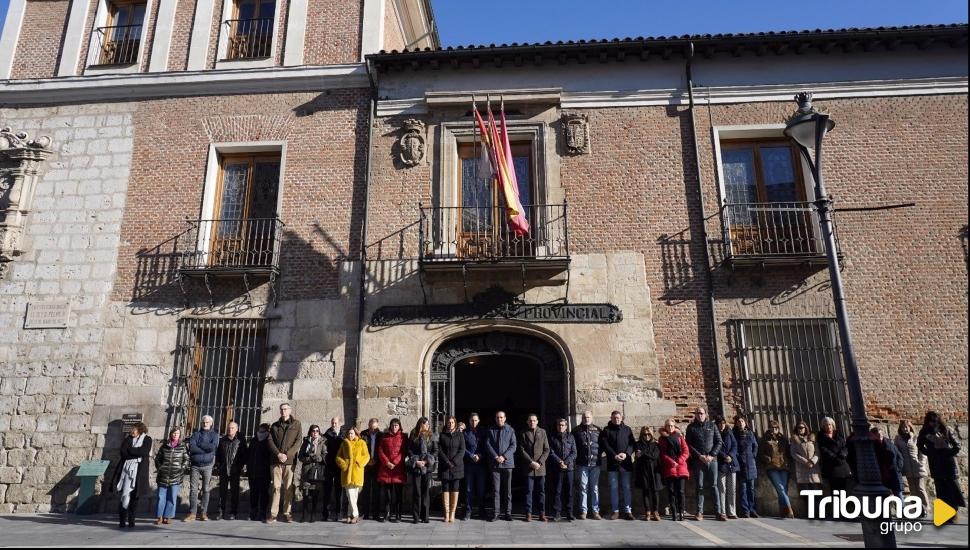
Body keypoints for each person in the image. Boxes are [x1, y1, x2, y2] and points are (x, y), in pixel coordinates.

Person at [917, 411, 965, 515]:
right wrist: (930, 453)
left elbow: (957, 445)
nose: (933, 424)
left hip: (948, 462)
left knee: (952, 487)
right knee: (940, 488)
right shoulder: (924, 432)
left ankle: (954, 510)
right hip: (936, 462)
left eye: (935, 421)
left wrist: (949, 452)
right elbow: (920, 445)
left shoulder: (946, 430)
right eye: (931, 421)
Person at [686, 407, 724, 521]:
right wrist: (699, 456)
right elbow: (688, 444)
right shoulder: (691, 427)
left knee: (714, 485)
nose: (699, 415)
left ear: (705, 414)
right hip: (698, 461)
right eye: (697, 413)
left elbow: (719, 442)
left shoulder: (712, 426)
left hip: (712, 460)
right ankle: (699, 512)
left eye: (701, 413)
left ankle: (719, 512)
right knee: (699, 486)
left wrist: (712, 455)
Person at [111, 421, 152, 528]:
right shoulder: (128, 439)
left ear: (140, 430)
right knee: (125, 494)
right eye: (131, 429)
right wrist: (135, 453)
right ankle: (122, 520)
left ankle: (131, 519)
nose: (131, 431)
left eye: (134, 429)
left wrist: (131, 450)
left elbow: (144, 452)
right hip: (126, 471)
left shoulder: (147, 439)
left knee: (135, 496)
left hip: (139, 472)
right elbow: (123, 453)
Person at [266, 403, 302, 523]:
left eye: (285, 409)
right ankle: (273, 514)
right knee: (276, 487)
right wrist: (278, 454)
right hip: (276, 461)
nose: (283, 411)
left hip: (289, 461)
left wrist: (288, 454)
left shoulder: (296, 424)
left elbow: (298, 441)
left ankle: (287, 513)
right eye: (281, 409)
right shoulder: (275, 425)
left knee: (288, 488)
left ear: (290, 410)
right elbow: (270, 441)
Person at [600, 410, 636, 520]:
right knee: (614, 488)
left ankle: (628, 511)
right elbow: (605, 445)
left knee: (627, 487)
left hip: (625, 463)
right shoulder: (606, 430)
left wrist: (626, 454)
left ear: (621, 418)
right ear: (611, 418)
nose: (616, 419)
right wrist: (614, 455)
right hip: (612, 463)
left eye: (618, 418)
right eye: (614, 418)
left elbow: (632, 444)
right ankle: (615, 511)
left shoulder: (627, 429)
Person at [185, 415, 219, 521]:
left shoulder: (214, 435)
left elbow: (213, 448)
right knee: (193, 489)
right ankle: (192, 513)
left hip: (208, 466)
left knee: (206, 489)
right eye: (203, 422)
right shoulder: (195, 434)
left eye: (207, 422)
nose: (205, 424)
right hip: (195, 465)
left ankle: (204, 513)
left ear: (211, 423)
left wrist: (200, 444)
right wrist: (205, 449)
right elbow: (192, 448)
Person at [154, 427, 189, 526]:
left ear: (179, 435)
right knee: (161, 497)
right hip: (163, 475)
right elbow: (157, 459)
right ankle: (159, 516)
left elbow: (186, 459)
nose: (175, 435)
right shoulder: (164, 446)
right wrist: (160, 467)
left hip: (176, 476)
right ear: (171, 434)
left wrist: (181, 468)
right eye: (174, 433)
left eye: (177, 433)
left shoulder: (182, 447)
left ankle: (167, 516)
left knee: (172, 497)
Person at [518, 413, 550, 522]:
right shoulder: (523, 432)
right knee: (528, 491)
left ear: (537, 421)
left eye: (534, 420)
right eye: (530, 420)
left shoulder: (543, 432)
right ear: (527, 422)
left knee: (541, 491)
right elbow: (521, 449)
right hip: (529, 467)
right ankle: (529, 513)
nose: (532, 422)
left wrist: (540, 462)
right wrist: (531, 462)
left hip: (540, 468)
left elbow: (547, 449)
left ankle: (542, 513)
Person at [486, 410, 517, 521]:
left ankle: (508, 513)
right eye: (497, 417)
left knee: (507, 490)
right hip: (495, 464)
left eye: (501, 417)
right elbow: (488, 445)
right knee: (496, 490)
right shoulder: (491, 430)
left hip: (507, 464)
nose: (499, 419)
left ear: (505, 418)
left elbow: (513, 446)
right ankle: (496, 513)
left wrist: (504, 457)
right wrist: (496, 457)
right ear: (495, 418)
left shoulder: (510, 430)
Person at [336, 425, 370, 524]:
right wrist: (344, 464)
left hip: (357, 472)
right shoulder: (344, 443)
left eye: (352, 433)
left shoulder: (361, 443)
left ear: (356, 434)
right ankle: (355, 515)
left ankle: (349, 515)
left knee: (353, 496)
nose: (350, 435)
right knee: (350, 494)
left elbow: (366, 456)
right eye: (349, 433)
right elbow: (338, 457)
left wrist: (360, 462)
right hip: (347, 473)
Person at [572, 410, 602, 520]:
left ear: (592, 418)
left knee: (594, 488)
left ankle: (595, 511)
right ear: (582, 418)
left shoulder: (598, 430)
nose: (586, 419)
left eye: (588, 417)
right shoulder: (576, 431)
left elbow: (602, 445)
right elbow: (573, 446)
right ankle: (583, 510)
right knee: (583, 487)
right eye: (585, 417)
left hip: (595, 463)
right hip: (582, 464)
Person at [760, 419, 793, 519]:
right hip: (772, 466)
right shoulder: (765, 439)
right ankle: (790, 509)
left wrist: (788, 462)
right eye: (772, 428)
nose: (774, 430)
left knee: (783, 490)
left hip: (783, 466)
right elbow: (760, 453)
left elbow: (788, 451)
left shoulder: (783, 438)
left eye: (776, 428)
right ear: (769, 428)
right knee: (780, 488)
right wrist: (766, 459)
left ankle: (782, 511)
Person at [894, 420, 928, 515]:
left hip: (918, 466)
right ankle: (917, 508)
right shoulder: (898, 439)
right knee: (912, 490)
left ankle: (925, 508)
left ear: (910, 427)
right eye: (903, 427)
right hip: (907, 467)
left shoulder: (916, 438)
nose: (905, 429)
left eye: (906, 427)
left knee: (920, 489)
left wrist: (921, 463)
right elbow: (897, 453)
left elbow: (923, 452)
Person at [215, 421, 247, 521]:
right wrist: (220, 466)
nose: (230, 429)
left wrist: (239, 467)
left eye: (232, 428)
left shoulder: (240, 441)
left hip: (235, 470)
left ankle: (233, 512)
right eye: (229, 428)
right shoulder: (222, 440)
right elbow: (218, 455)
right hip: (224, 469)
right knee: (222, 492)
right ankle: (221, 512)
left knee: (234, 492)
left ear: (237, 429)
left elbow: (244, 455)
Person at [658, 418, 689, 521]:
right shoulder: (662, 439)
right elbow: (663, 454)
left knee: (681, 491)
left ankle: (681, 512)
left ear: (674, 426)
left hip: (681, 467)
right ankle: (674, 512)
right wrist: (672, 462)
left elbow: (686, 451)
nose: (670, 427)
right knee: (671, 491)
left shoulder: (680, 437)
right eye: (668, 426)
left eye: (672, 425)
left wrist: (679, 461)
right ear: (665, 427)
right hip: (669, 468)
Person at [377, 418, 407, 522]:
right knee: (387, 495)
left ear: (399, 426)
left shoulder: (403, 437)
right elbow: (380, 450)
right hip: (386, 469)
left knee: (398, 495)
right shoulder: (384, 436)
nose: (394, 427)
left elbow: (403, 452)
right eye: (393, 425)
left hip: (398, 469)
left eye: (396, 425)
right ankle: (387, 513)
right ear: (390, 426)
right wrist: (387, 462)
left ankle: (398, 514)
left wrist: (394, 462)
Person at [816, 417, 852, 503]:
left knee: (843, 490)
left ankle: (844, 511)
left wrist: (843, 454)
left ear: (833, 425)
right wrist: (836, 458)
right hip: (832, 467)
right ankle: (837, 512)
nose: (828, 427)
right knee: (835, 490)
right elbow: (824, 450)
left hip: (842, 466)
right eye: (826, 425)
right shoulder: (821, 437)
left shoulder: (839, 435)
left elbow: (845, 447)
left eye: (830, 425)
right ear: (823, 427)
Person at [407, 417, 436, 523]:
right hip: (417, 467)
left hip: (427, 468)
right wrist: (416, 460)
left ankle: (425, 516)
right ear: (420, 424)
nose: (427, 426)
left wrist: (427, 461)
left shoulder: (431, 435)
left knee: (425, 492)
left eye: (428, 424)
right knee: (417, 492)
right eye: (425, 424)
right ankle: (416, 516)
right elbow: (409, 449)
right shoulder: (414, 434)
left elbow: (435, 450)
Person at [789, 421, 821, 518]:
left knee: (816, 492)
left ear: (806, 428)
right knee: (806, 493)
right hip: (802, 469)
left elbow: (817, 452)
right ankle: (810, 513)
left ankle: (819, 513)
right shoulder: (794, 440)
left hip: (814, 469)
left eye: (802, 427)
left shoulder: (812, 439)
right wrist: (805, 461)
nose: (801, 429)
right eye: (799, 427)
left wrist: (813, 461)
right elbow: (793, 453)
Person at [437, 415, 465, 522]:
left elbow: (462, 450)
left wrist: (453, 462)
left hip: (457, 466)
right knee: (445, 488)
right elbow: (439, 450)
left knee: (455, 488)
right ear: (446, 424)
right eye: (449, 422)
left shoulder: (460, 435)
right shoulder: (442, 435)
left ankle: (453, 513)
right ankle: (446, 513)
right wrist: (447, 462)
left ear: (455, 423)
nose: (451, 424)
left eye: (453, 422)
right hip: (445, 466)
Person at [548, 418, 577, 522]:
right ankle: (557, 512)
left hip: (569, 468)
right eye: (559, 425)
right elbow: (551, 452)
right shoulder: (552, 437)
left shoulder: (571, 437)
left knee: (569, 491)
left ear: (566, 426)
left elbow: (574, 452)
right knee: (557, 491)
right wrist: (560, 462)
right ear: (556, 426)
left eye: (563, 425)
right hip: (557, 468)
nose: (561, 427)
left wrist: (566, 462)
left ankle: (570, 512)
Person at [297, 425, 326, 523]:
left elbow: (324, 455)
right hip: (306, 470)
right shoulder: (306, 442)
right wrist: (308, 459)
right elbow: (300, 456)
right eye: (313, 431)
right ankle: (304, 514)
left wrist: (317, 457)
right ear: (310, 432)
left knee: (315, 493)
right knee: (305, 493)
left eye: (317, 431)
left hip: (317, 471)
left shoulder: (323, 441)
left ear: (319, 432)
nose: (315, 433)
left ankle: (313, 514)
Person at [733, 416, 759, 518]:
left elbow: (755, 446)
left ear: (745, 423)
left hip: (750, 463)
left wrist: (753, 455)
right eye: (738, 421)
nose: (740, 423)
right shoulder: (734, 434)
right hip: (740, 463)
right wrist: (738, 458)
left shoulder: (750, 433)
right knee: (743, 488)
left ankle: (752, 509)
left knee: (751, 488)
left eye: (742, 421)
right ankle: (745, 510)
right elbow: (734, 447)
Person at [634, 426, 662, 521]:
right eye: (645, 434)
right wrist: (645, 454)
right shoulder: (638, 444)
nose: (647, 436)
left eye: (649, 434)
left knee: (655, 491)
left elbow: (655, 456)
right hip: (643, 470)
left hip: (654, 471)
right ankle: (647, 512)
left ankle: (656, 511)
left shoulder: (656, 445)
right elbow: (638, 456)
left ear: (651, 434)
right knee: (645, 491)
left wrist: (643, 453)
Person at [462, 412, 487, 520]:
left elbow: (488, 446)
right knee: (468, 489)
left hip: (481, 465)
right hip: (469, 464)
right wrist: (471, 455)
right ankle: (468, 512)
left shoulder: (484, 432)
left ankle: (482, 511)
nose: (474, 422)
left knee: (481, 489)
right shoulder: (465, 433)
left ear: (479, 420)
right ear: (469, 421)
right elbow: (462, 448)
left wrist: (481, 455)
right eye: (472, 420)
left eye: (476, 420)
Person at [871, 426, 905, 500]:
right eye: (877, 434)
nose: (880, 436)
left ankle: (902, 511)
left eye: (880, 434)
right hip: (882, 475)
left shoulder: (889, 443)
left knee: (899, 495)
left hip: (894, 473)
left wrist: (898, 468)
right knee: (884, 498)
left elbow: (899, 456)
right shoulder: (873, 446)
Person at [715, 415, 738, 520]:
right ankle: (723, 512)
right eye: (719, 423)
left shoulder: (729, 432)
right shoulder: (715, 433)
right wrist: (724, 456)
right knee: (722, 488)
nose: (722, 425)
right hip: (721, 463)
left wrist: (731, 456)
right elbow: (715, 447)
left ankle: (732, 511)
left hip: (731, 463)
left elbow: (735, 445)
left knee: (732, 489)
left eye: (723, 423)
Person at [321, 417, 345, 521]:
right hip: (329, 465)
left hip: (340, 466)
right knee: (327, 490)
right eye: (332, 423)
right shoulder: (326, 435)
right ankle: (326, 513)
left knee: (339, 490)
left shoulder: (344, 434)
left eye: (335, 423)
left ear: (340, 423)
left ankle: (339, 513)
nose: (334, 425)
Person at [247, 423, 272, 521]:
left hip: (265, 472)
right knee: (253, 492)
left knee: (264, 493)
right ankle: (253, 511)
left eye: (263, 431)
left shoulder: (269, 441)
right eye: (260, 430)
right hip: (253, 471)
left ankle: (262, 512)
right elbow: (249, 455)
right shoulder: (253, 440)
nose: (260, 432)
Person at [361, 419, 382, 520]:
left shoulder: (381, 435)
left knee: (376, 491)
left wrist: (376, 460)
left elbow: (382, 449)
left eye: (375, 428)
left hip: (377, 465)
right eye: (371, 428)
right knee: (366, 490)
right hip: (366, 466)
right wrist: (367, 460)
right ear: (368, 426)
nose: (373, 430)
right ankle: (365, 513)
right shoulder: (363, 434)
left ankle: (375, 514)